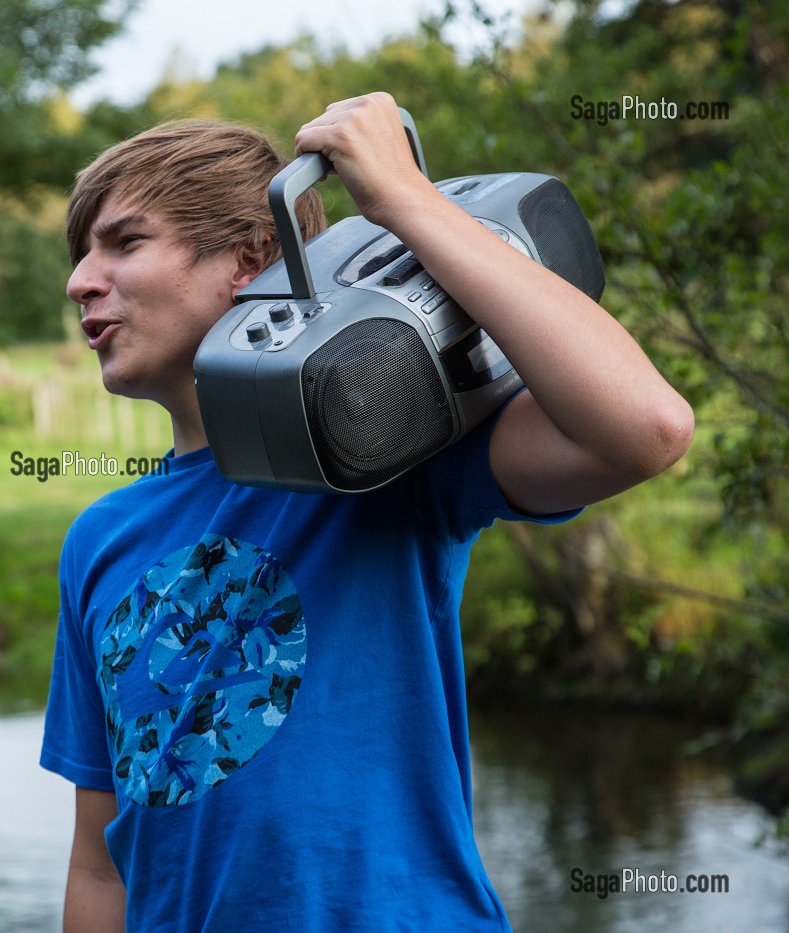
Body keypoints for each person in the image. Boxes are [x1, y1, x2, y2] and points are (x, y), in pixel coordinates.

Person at [39, 92, 694, 931]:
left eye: (124, 243)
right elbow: (99, 864)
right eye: (81, 253)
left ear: (249, 261)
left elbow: (649, 428)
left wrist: (403, 200)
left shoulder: (378, 457)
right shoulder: (99, 538)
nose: (79, 281)